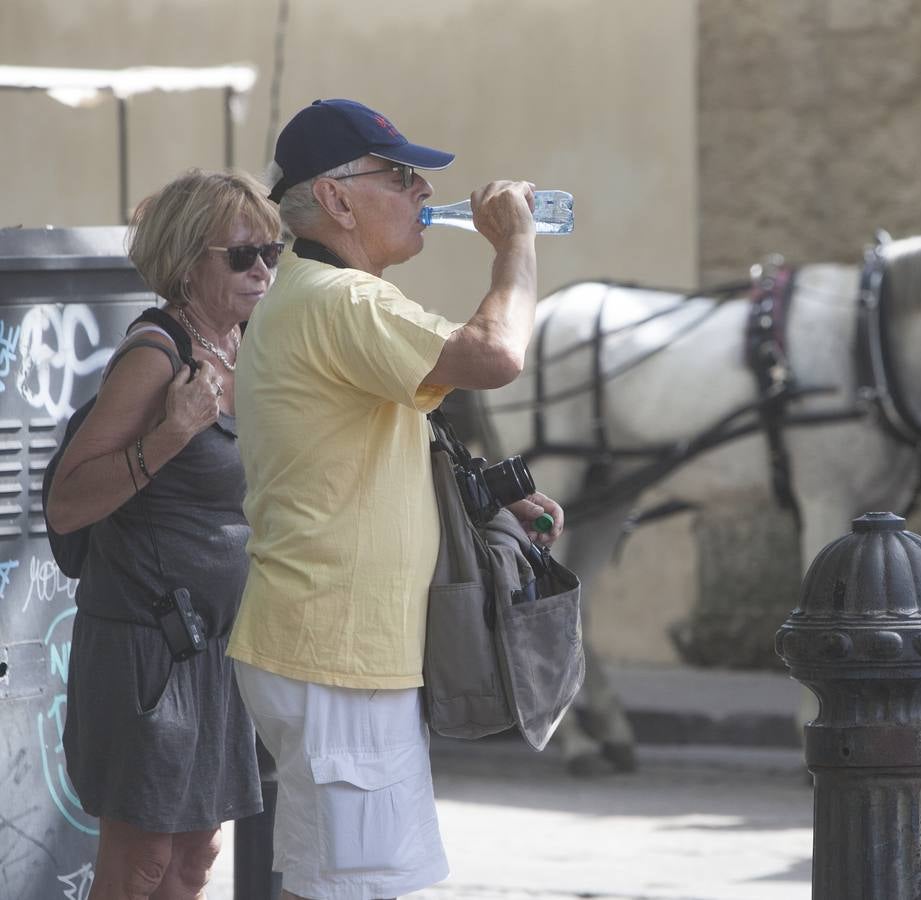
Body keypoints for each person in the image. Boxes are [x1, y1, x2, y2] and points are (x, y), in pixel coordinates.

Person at [226, 98, 564, 900]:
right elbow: (496, 353)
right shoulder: (343, 300)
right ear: (337, 199)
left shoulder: (322, 294)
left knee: (335, 883)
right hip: (337, 652)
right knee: (359, 888)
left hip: (330, 649)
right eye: (399, 174)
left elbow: (368, 446)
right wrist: (516, 245)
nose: (421, 190)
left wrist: (488, 500)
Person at [51, 168, 282, 898]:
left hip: (217, 644)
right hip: (148, 646)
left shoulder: (249, 346)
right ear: (189, 262)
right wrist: (172, 435)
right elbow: (66, 503)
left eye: (272, 253)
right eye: (242, 255)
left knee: (194, 858)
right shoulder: (156, 355)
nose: (262, 271)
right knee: (142, 858)